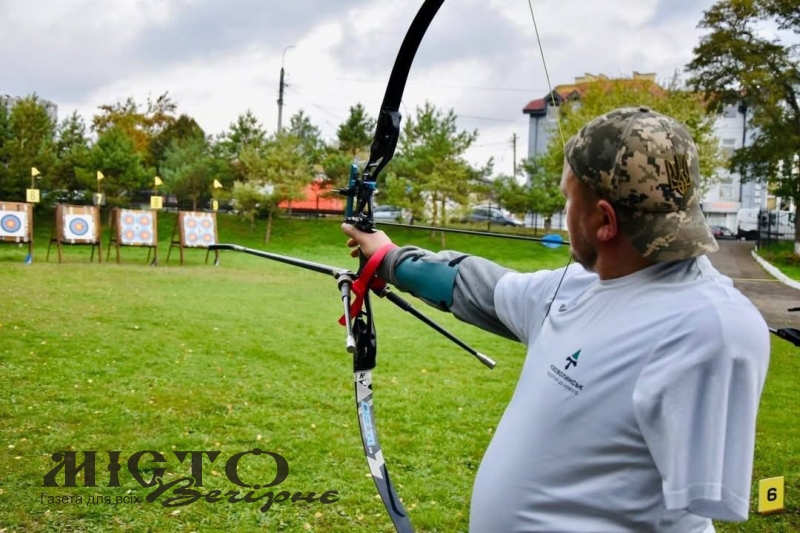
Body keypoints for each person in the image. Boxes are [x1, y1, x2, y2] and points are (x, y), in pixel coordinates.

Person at [342, 106, 771, 532]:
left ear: (604, 220)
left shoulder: (710, 329)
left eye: (569, 198)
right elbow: (477, 288)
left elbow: (689, 522)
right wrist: (391, 258)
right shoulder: (581, 285)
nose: (565, 213)